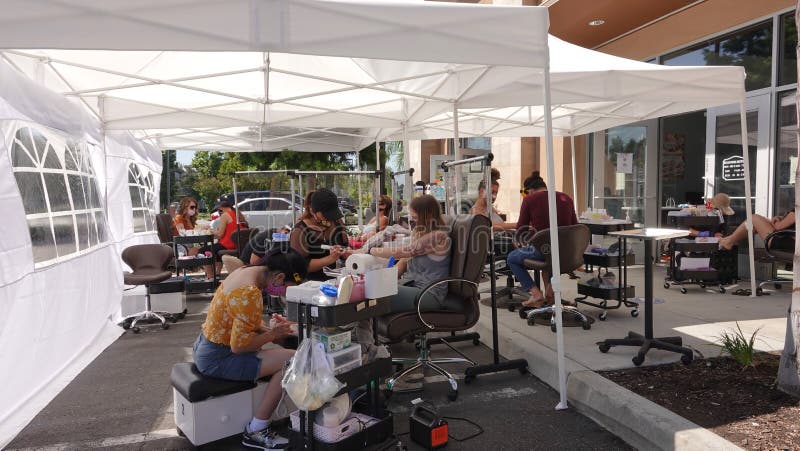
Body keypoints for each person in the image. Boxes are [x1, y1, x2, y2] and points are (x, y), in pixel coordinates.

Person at [192, 248, 307, 449]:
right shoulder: (250, 294)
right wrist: (273, 334)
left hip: (205, 346)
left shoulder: (244, 271)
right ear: (279, 277)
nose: (283, 293)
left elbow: (241, 322)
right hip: (219, 357)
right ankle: (257, 429)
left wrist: (270, 328)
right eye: (287, 288)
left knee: (286, 355)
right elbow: (239, 347)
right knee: (294, 360)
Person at [353, 195, 452, 355]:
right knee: (367, 288)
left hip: (429, 293)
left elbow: (406, 251)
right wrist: (384, 279)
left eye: (414, 216)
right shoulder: (419, 234)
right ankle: (364, 343)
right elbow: (404, 262)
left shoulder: (440, 236)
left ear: (427, 215)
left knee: (371, 292)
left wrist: (370, 250)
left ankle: (367, 349)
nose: (411, 220)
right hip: (414, 287)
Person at [508, 171, 578, 308]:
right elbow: (574, 226)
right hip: (566, 252)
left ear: (530, 190)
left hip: (543, 251)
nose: (524, 196)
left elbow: (520, 229)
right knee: (550, 254)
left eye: (524, 193)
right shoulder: (566, 197)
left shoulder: (529, 200)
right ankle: (551, 293)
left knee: (512, 258)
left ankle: (535, 294)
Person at [289, 188, 349, 281]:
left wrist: (346, 253)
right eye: (326, 215)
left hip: (335, 281)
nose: (329, 219)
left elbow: (345, 247)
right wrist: (330, 259)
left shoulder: (337, 222)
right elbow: (300, 266)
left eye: (332, 215)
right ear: (312, 211)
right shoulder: (300, 231)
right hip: (310, 285)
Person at [199, 199, 249, 279]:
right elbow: (224, 233)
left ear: (221, 208)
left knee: (203, 250)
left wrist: (209, 230)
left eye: (219, 210)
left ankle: (210, 275)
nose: (219, 212)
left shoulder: (225, 215)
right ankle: (217, 274)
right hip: (239, 244)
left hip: (228, 244)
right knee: (216, 249)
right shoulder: (238, 215)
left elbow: (219, 234)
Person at [719, 209, 795, 251]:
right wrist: (780, 218)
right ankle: (730, 240)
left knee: (753, 219)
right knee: (755, 223)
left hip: (784, 241)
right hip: (789, 240)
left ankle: (729, 241)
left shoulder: (797, 210)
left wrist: (779, 221)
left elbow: (778, 227)